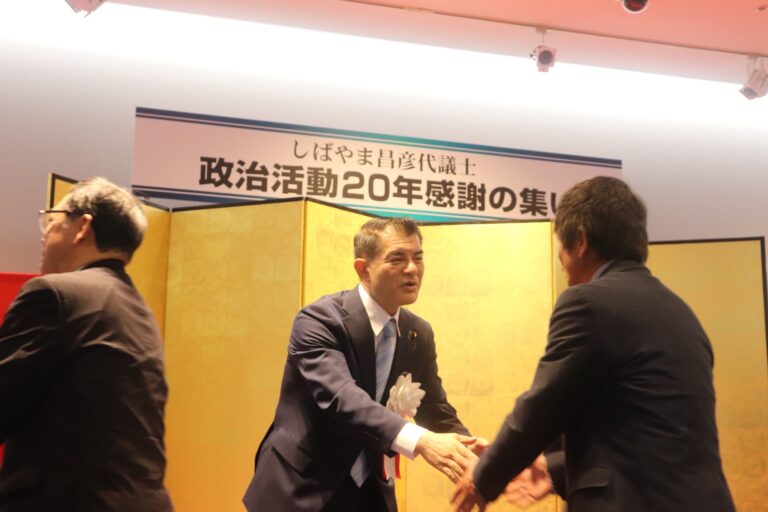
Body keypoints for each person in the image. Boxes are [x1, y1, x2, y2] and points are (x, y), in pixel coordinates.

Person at [452, 176, 735, 512]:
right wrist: (554, 469)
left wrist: (483, 477)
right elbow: (645, 426)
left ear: (581, 240)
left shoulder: (588, 303)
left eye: (560, 243)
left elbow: (543, 406)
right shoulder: (681, 312)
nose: (559, 257)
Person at [243, 217, 484, 511]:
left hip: (370, 490)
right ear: (363, 268)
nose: (412, 269)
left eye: (418, 258)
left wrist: (476, 458)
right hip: (300, 486)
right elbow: (343, 398)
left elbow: (434, 407)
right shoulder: (319, 320)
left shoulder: (418, 333)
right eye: (397, 258)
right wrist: (421, 441)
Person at [0, 177, 173, 511]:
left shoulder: (55, 294)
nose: (44, 233)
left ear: (82, 226)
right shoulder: (140, 311)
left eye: (51, 220)